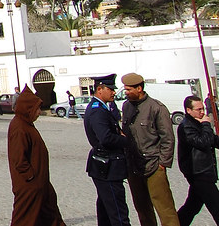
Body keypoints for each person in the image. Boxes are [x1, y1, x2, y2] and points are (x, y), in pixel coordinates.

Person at [121, 72, 179, 226]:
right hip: (133, 166)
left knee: (165, 209)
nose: (125, 93)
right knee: (142, 210)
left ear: (139, 88)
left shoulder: (156, 108)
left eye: (128, 90)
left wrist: (162, 164)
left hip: (153, 165)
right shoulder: (126, 106)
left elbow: (168, 138)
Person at [8, 86, 66, 226]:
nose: (39, 112)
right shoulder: (19, 127)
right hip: (30, 187)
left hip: (40, 184)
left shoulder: (26, 124)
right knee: (25, 220)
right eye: (36, 109)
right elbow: (19, 159)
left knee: (51, 217)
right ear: (27, 108)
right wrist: (32, 178)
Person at [84, 73, 131, 226]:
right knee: (118, 214)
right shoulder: (98, 111)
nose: (113, 92)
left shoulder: (103, 107)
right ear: (99, 89)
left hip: (106, 166)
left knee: (106, 211)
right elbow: (106, 138)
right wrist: (127, 141)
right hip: (108, 166)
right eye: (110, 89)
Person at [177, 95, 219, 225]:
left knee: (192, 206)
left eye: (203, 109)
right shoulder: (186, 126)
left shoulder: (198, 123)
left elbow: (213, 140)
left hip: (204, 171)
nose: (202, 112)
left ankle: (175, 223)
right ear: (188, 110)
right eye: (199, 109)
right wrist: (206, 124)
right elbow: (202, 142)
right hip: (198, 173)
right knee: (217, 206)